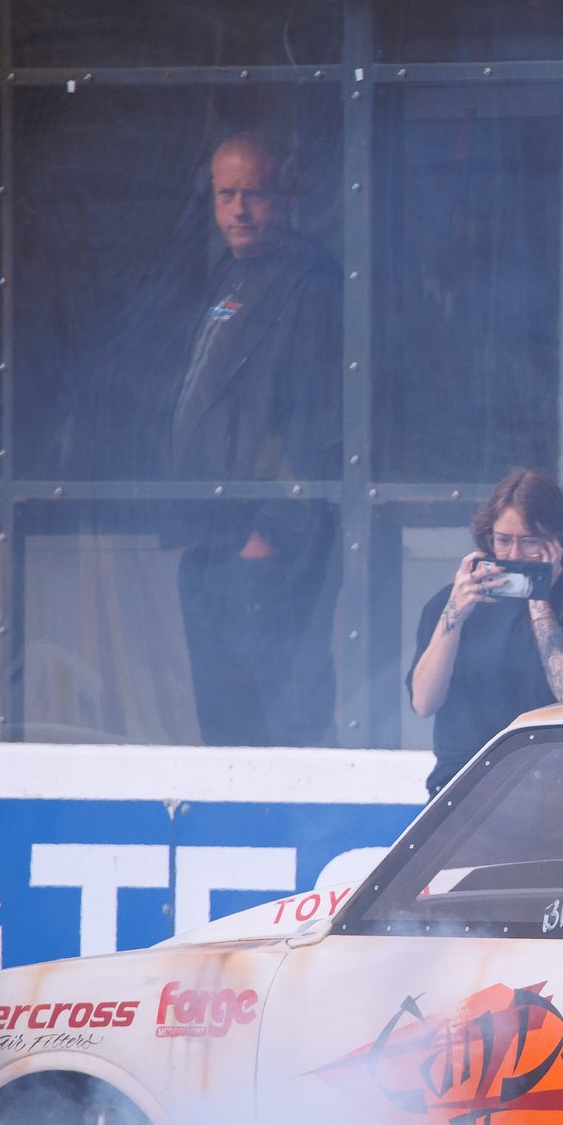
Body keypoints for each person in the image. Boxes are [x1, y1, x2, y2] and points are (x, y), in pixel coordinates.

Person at [167, 130, 342, 747]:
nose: (238, 211)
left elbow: (318, 422)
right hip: (211, 534)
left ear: (285, 195)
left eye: (254, 194)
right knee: (221, 716)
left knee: (279, 711)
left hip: (263, 545)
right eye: (226, 195)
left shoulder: (309, 282)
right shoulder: (227, 275)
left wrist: (270, 528)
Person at [410, 470, 563, 796]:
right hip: (463, 794)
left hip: (551, 798)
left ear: (556, 543)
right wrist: (455, 614)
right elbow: (422, 702)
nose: (514, 555)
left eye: (530, 541)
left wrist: (539, 600)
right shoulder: (451, 604)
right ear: (487, 539)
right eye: (503, 540)